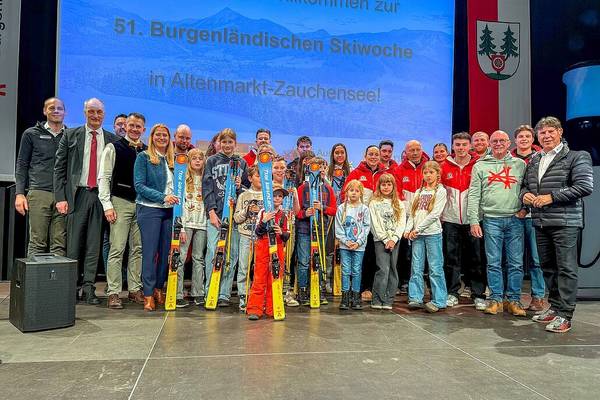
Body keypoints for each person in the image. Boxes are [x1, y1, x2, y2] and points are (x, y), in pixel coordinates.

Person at [522, 116, 594, 333]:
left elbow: (584, 186)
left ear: (560, 132)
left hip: (565, 222)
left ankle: (565, 315)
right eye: (542, 132)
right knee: (548, 268)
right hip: (541, 222)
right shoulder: (535, 159)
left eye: (551, 131)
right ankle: (554, 307)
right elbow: (525, 185)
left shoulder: (577, 156)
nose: (546, 136)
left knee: (566, 269)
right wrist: (524, 195)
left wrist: (551, 197)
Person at [54, 98, 118, 304]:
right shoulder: (70, 134)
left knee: (94, 245)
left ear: (104, 115)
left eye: (99, 112)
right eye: (91, 111)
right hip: (77, 195)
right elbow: (59, 168)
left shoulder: (112, 140)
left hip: (101, 196)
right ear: (85, 113)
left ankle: (89, 288)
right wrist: (60, 198)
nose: (95, 116)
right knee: (73, 245)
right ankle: (71, 288)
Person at [468, 130, 527, 316]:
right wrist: (473, 221)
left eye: (502, 140)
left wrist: (526, 209)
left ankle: (514, 300)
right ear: (489, 144)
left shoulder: (520, 164)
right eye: (495, 141)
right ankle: (496, 299)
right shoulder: (480, 165)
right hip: (491, 219)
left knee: (516, 263)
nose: (498, 144)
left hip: (515, 219)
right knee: (493, 262)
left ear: (509, 143)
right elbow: (474, 195)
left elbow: (529, 188)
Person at [98, 112, 147, 309]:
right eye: (131, 125)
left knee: (138, 248)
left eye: (138, 126)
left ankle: (134, 289)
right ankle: (113, 292)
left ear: (143, 129)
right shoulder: (113, 147)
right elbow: (104, 177)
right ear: (125, 126)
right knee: (117, 248)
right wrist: (107, 205)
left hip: (142, 204)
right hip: (120, 202)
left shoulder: (146, 150)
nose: (134, 129)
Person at [440, 132, 487, 311]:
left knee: (476, 258)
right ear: (453, 146)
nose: (460, 148)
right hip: (450, 220)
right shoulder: (443, 166)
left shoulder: (478, 165)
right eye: (457, 145)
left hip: (473, 220)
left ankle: (478, 294)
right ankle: (452, 293)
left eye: (464, 145)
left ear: (470, 146)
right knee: (451, 258)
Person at [203, 128, 249, 308]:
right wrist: (211, 211)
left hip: (235, 216)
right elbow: (207, 187)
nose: (227, 145)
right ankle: (210, 290)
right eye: (224, 141)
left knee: (232, 254)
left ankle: (224, 293)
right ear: (219, 143)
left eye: (230, 142)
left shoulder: (242, 163)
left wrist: (240, 185)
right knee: (213, 252)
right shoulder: (211, 161)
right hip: (216, 214)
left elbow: (247, 190)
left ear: (235, 144)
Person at [15, 97, 67, 256]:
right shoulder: (31, 134)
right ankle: (34, 273)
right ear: (45, 111)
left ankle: (56, 274)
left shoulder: (70, 135)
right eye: (52, 108)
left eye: (59, 108)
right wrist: (19, 193)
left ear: (65, 112)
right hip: (38, 193)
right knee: (37, 242)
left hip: (63, 196)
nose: (56, 111)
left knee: (59, 244)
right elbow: (22, 164)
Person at [133, 124, 177, 311]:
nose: (161, 138)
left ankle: (159, 288)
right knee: (150, 253)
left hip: (169, 211)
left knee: (165, 253)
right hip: (149, 209)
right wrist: (162, 197)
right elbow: (139, 186)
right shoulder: (143, 157)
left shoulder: (173, 160)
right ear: (151, 137)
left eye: (165, 135)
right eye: (158, 135)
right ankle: (148, 294)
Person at [404, 161, 448, 313]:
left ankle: (439, 300)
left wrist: (417, 229)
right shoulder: (419, 192)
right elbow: (413, 213)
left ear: (437, 174)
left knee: (435, 267)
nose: (428, 175)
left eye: (431, 172)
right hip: (417, 236)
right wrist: (408, 229)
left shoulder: (441, 191)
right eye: (425, 173)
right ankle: (415, 297)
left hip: (432, 234)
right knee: (416, 267)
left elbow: (435, 214)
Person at [344, 145, 386, 301]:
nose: (373, 157)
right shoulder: (356, 173)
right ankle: (361, 288)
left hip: (379, 223)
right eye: (370, 154)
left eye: (376, 154)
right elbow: (345, 194)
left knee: (375, 256)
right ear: (365, 155)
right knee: (363, 255)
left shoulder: (384, 174)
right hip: (360, 224)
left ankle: (373, 287)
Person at [511, 124, 545, 312]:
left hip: (534, 215)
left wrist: (527, 207)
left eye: (527, 136)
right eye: (520, 136)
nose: (524, 139)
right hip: (513, 216)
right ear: (515, 140)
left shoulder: (541, 158)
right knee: (513, 260)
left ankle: (538, 297)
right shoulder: (508, 159)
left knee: (536, 259)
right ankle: (512, 297)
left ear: (533, 139)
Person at [296, 157, 336, 306]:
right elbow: (296, 211)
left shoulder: (328, 188)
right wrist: (305, 213)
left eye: (322, 167)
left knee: (319, 261)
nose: (320, 170)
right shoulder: (302, 188)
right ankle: (303, 290)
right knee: (304, 261)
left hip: (320, 230)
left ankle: (318, 289)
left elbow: (334, 210)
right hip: (305, 230)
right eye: (316, 167)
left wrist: (322, 208)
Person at [247, 185, 290, 320]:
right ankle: (255, 309)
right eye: (274, 195)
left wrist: (281, 232)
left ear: (282, 199)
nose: (277, 198)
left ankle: (273, 308)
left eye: (280, 196)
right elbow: (257, 232)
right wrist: (264, 220)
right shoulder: (263, 212)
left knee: (275, 278)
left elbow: (287, 236)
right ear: (269, 197)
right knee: (259, 278)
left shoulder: (284, 215)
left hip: (277, 246)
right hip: (263, 246)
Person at [393, 140, 430, 294]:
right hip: (406, 217)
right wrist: (406, 214)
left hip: (425, 218)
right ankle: (404, 281)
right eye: (411, 150)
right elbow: (397, 194)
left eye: (417, 149)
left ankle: (422, 281)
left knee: (424, 252)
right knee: (405, 252)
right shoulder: (399, 170)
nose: (415, 153)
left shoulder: (429, 168)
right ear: (405, 152)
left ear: (421, 150)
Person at [369, 173, 406, 310]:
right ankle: (377, 299)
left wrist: (394, 239)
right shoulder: (374, 203)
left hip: (394, 240)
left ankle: (389, 299)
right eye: (383, 184)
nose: (386, 187)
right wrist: (385, 239)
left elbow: (401, 223)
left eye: (389, 184)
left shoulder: (399, 204)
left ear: (393, 186)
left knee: (393, 269)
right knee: (383, 269)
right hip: (380, 240)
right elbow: (374, 224)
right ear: (379, 186)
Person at [176, 148, 208, 307]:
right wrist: (181, 226)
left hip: (202, 224)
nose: (197, 161)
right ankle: (177, 293)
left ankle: (198, 292)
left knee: (198, 258)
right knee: (181, 258)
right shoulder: (183, 178)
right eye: (194, 158)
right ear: (189, 161)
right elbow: (179, 203)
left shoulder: (206, 179)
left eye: (200, 158)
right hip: (186, 223)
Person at [335, 180, 370, 310]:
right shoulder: (342, 208)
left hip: (359, 247)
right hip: (345, 246)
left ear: (361, 193)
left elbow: (366, 227)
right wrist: (345, 241)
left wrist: (358, 242)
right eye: (351, 190)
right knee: (345, 270)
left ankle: (356, 296)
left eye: (357, 191)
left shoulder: (364, 209)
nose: (354, 193)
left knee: (356, 270)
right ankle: (345, 296)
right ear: (347, 192)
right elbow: (338, 227)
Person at [233, 164, 263, 312]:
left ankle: (258, 296)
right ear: (250, 178)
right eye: (258, 176)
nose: (261, 179)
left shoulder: (267, 195)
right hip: (245, 235)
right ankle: (243, 296)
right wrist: (247, 209)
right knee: (244, 266)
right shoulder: (243, 196)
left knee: (259, 267)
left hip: (261, 236)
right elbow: (237, 218)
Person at [273, 155, 300, 307]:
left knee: (287, 259)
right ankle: (269, 291)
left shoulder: (290, 186)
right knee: (271, 258)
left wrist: (295, 196)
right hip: (271, 226)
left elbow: (297, 211)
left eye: (282, 167)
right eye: (276, 167)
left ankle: (285, 292)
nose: (279, 170)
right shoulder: (267, 186)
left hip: (289, 226)